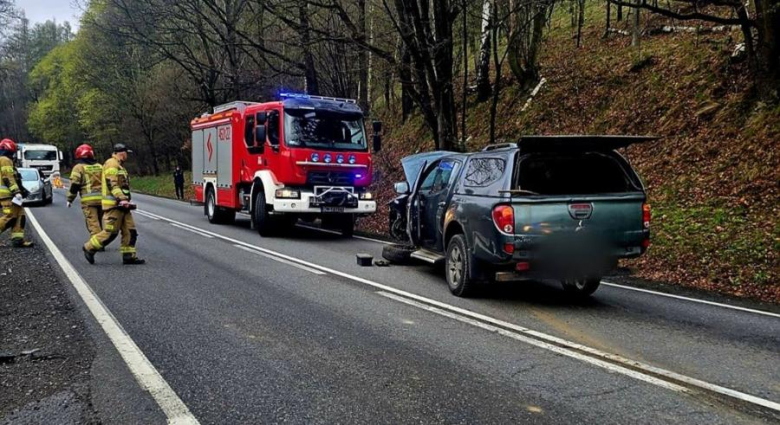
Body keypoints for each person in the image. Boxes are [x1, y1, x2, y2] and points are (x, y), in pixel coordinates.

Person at [82, 143, 145, 265]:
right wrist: (122, 199)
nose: (127, 156)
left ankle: (128, 256)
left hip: (122, 206)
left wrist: (125, 201)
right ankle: (89, 247)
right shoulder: (112, 164)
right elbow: (112, 184)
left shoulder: (119, 166)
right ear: (122, 153)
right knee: (111, 232)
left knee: (130, 231)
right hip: (114, 206)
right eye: (126, 153)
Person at [0, 138, 34, 248]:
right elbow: (8, 177)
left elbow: (14, 178)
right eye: (13, 151)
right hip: (6, 194)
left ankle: (17, 240)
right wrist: (16, 191)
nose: (14, 154)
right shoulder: (5, 159)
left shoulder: (6, 160)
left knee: (20, 215)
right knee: (10, 217)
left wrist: (21, 191)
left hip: (10, 194)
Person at [67, 144, 103, 238]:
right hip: (103, 199)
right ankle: (101, 239)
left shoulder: (78, 168)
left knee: (93, 222)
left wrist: (70, 199)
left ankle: (97, 243)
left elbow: (75, 185)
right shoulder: (100, 166)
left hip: (89, 201)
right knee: (99, 221)